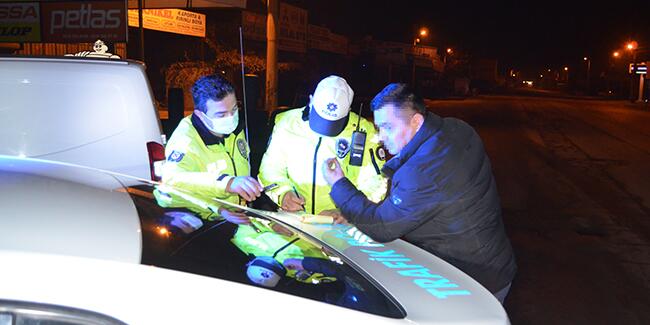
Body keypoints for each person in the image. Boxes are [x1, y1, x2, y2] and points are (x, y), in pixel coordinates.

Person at [321, 83, 517, 303]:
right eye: (378, 128)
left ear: (416, 121)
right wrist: (354, 211)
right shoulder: (456, 128)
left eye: (387, 127)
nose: (380, 137)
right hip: (494, 263)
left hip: (471, 282)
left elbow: (382, 226)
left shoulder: (422, 171)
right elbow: (417, 201)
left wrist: (338, 184)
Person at [258, 75, 387, 218]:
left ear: (348, 110)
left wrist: (351, 210)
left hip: (342, 226)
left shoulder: (365, 132)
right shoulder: (287, 122)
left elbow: (377, 182)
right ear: (311, 99)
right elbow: (270, 169)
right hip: (294, 220)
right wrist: (283, 194)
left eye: (333, 124)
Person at [154, 74, 262, 224]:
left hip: (237, 214)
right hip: (201, 221)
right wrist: (226, 186)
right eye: (221, 114)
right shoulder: (186, 141)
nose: (231, 118)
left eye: (234, 109)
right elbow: (173, 181)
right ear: (200, 115)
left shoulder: (235, 129)